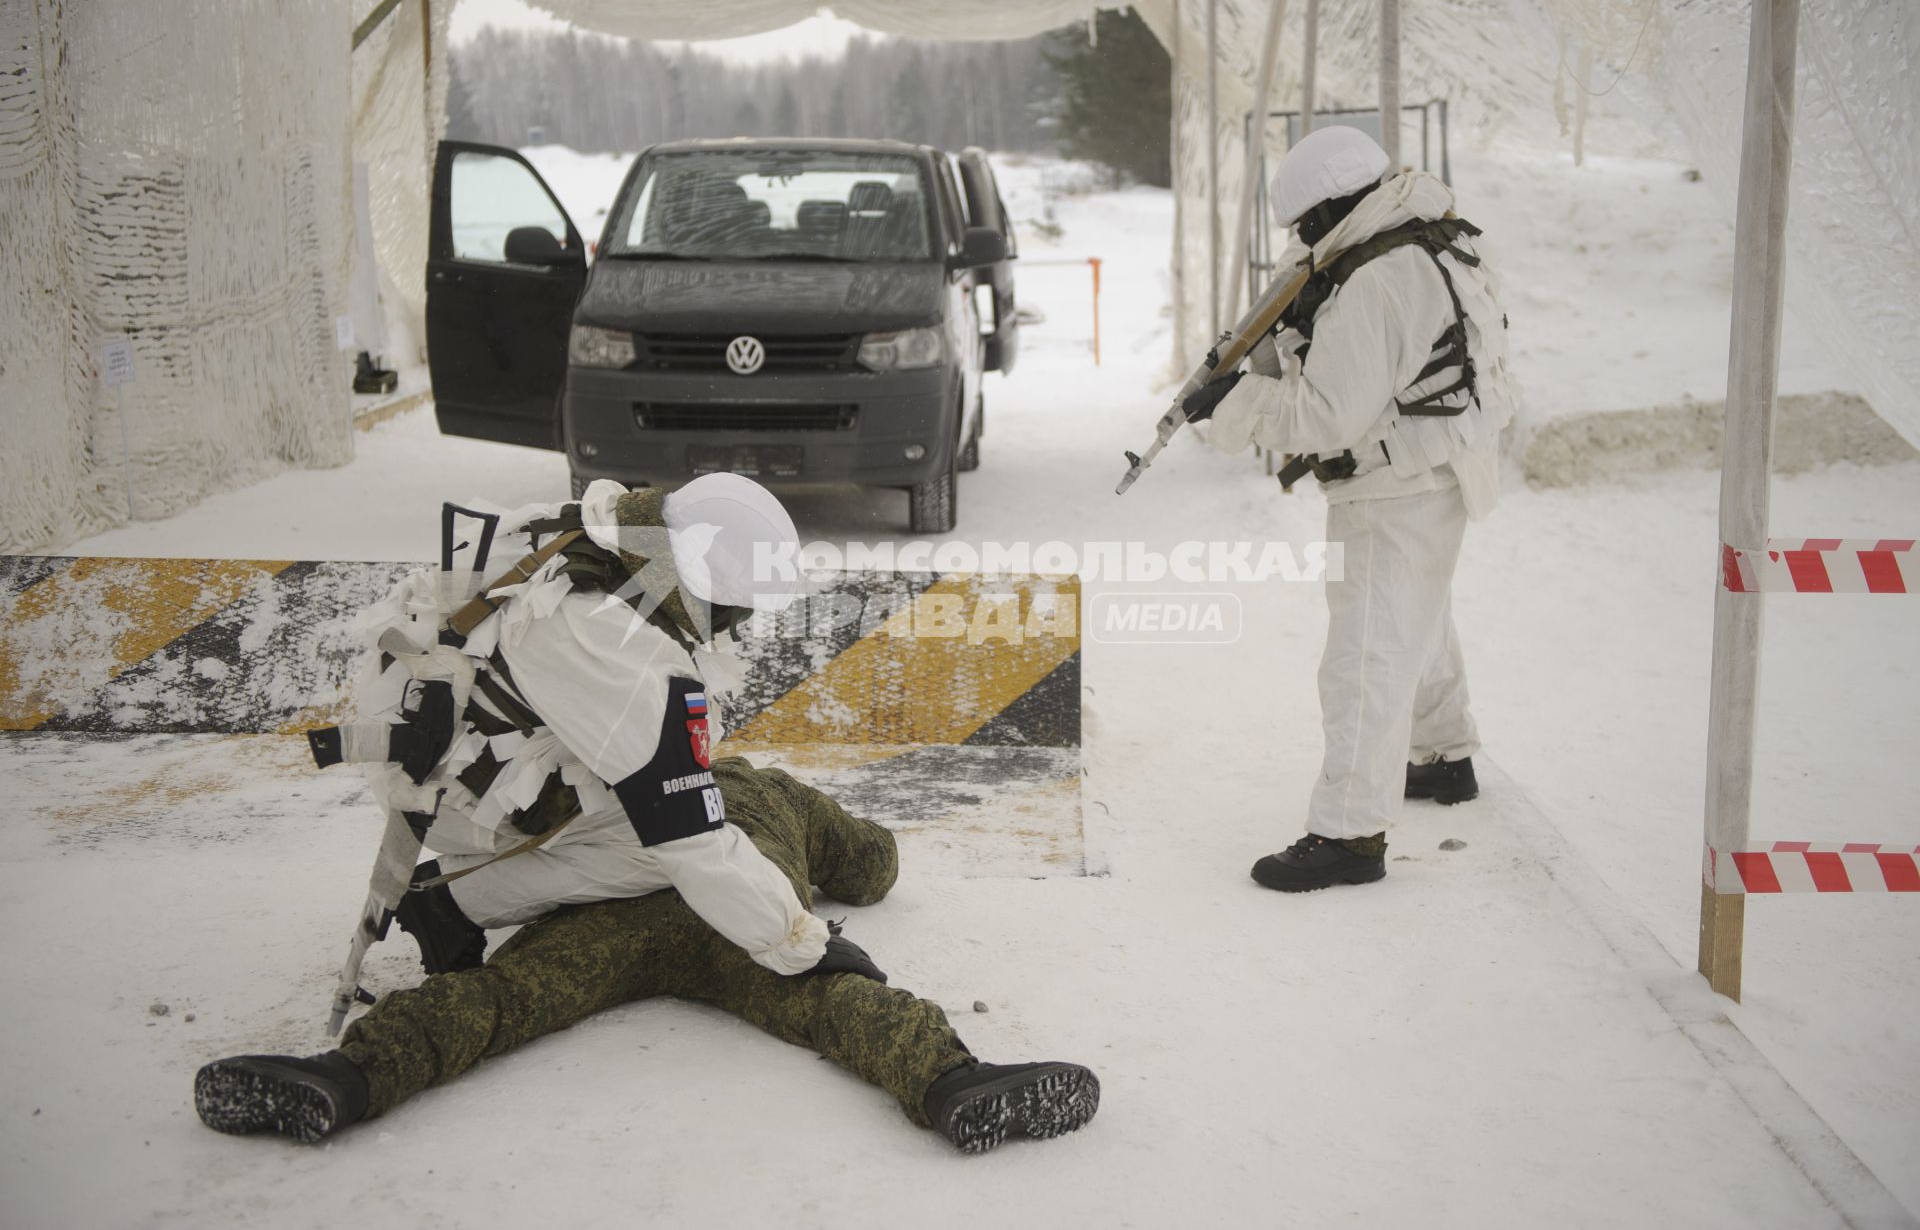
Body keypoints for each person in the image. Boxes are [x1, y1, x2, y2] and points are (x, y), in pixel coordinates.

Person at [193, 756, 1101, 1154]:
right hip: (742, 925)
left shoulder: (629, 788)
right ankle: (951, 1083)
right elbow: (876, 868)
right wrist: (826, 837)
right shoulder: (777, 790)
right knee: (831, 995)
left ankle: (346, 1078)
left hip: (615, 909)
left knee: (506, 996)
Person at [320, 473, 844, 979]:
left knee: (670, 781)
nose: (737, 623)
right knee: (654, 847)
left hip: (425, 724)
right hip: (442, 788)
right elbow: (688, 835)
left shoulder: (602, 534)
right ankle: (452, 903)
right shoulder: (613, 641)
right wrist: (794, 940)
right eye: (737, 608)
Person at [1181, 125, 1516, 892]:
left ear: (1333, 207)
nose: (1306, 242)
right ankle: (1444, 753)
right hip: (1440, 462)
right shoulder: (1425, 238)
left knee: (1366, 653)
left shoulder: (1380, 278)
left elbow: (1325, 415)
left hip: (1398, 481)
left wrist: (1234, 403)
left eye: (1306, 226)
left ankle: (1349, 832)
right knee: (1416, 615)